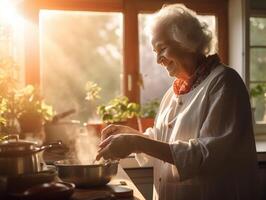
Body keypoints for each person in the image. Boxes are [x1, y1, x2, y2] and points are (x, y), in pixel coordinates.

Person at [96, 4, 259, 200]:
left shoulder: (224, 82)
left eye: (162, 48)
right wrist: (132, 136)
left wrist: (136, 142)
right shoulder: (173, 92)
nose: (158, 60)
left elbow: (206, 154)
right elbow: (162, 140)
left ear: (186, 41)